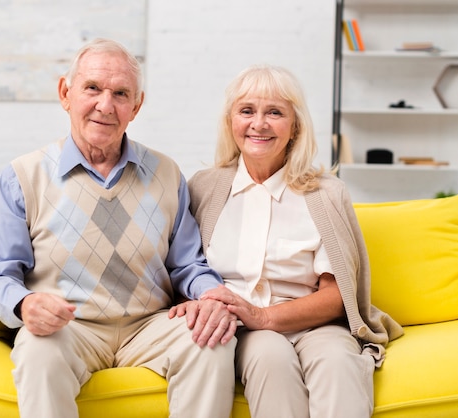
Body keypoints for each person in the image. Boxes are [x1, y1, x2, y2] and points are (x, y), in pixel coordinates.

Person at [0, 38, 237, 418]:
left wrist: (211, 296)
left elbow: (188, 266)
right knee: (37, 347)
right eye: (92, 88)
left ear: (136, 106)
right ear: (66, 93)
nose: (105, 105)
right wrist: (25, 303)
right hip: (69, 327)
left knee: (213, 340)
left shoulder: (165, 173)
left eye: (121, 93)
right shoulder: (22, 176)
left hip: (149, 326)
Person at [170, 64, 404, 418]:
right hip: (244, 330)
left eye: (275, 112)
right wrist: (195, 300)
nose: (259, 124)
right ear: (231, 122)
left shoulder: (327, 193)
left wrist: (264, 315)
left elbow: (337, 296)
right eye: (247, 111)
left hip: (316, 325)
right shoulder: (204, 187)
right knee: (270, 360)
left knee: (340, 362)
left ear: (294, 126)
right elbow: (186, 265)